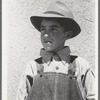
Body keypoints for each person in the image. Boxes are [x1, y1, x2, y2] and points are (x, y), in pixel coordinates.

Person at [16, 1, 95, 100]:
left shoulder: (81, 66)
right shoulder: (32, 68)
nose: (45, 34)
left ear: (68, 34)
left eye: (53, 29)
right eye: (43, 29)